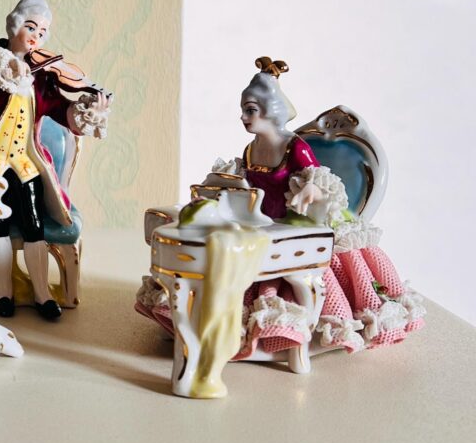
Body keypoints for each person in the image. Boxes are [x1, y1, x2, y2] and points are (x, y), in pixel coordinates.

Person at [138, 58, 426, 356]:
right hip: (262, 220)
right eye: (243, 110)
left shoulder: (294, 146)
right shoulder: (251, 149)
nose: (243, 117)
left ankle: (294, 328)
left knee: (300, 260)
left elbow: (320, 178)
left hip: (296, 218)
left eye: (250, 110)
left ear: (270, 110)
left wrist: (310, 189)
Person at [0, 0, 110, 320]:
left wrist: (86, 110)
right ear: (14, 26)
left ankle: (42, 292)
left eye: (42, 31)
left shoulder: (42, 76)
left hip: (25, 162)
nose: (36, 36)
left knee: (34, 223)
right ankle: (4, 293)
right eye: (30, 27)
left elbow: (61, 110)